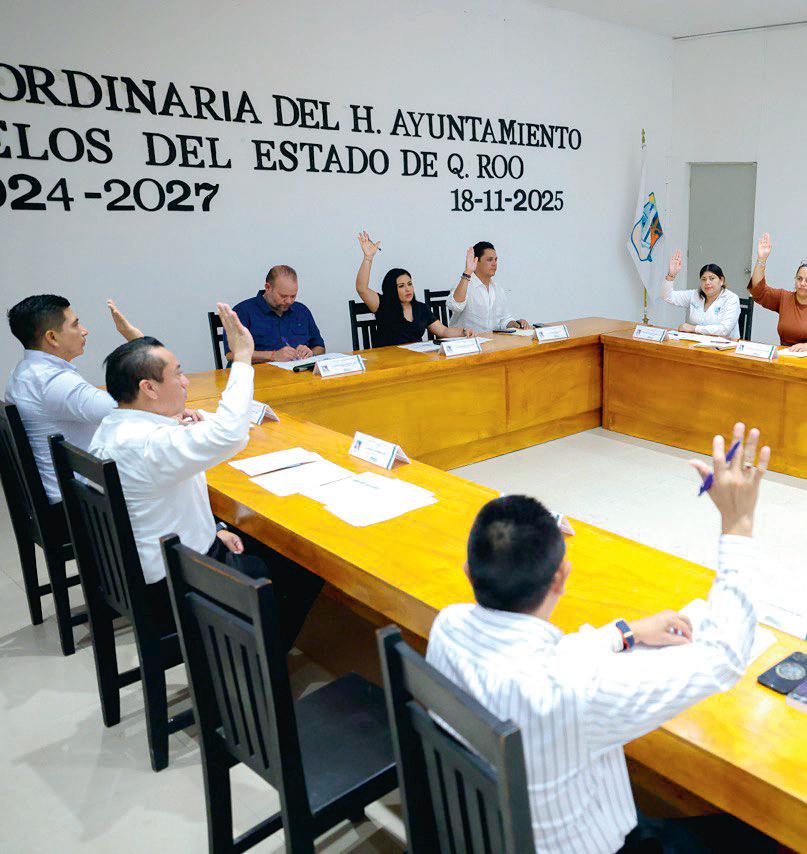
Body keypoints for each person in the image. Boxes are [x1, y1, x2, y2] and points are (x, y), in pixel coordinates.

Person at [427, 422, 775, 853]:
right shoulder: (578, 688)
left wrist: (625, 633)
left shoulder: (448, 625)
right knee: (762, 835)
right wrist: (738, 522)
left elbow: (549, 657)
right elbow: (724, 656)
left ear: (467, 571)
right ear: (562, 577)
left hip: (491, 832)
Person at [90, 305, 322, 641]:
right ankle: (260, 656)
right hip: (173, 584)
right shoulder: (151, 442)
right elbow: (230, 434)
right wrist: (242, 358)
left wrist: (213, 530)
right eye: (179, 374)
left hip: (150, 564)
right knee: (303, 559)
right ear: (149, 389)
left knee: (255, 539)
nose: (186, 382)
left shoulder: (116, 427)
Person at [5, 295, 145, 502]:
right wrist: (138, 343)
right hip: (82, 505)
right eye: (75, 324)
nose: (84, 331)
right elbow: (136, 410)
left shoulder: (23, 372)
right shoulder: (53, 382)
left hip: (68, 496)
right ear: (52, 337)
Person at [354, 231, 474, 346]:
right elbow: (361, 288)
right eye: (401, 286)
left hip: (416, 357)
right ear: (391, 289)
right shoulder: (382, 304)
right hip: (388, 358)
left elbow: (443, 331)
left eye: (410, 284)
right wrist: (368, 258)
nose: (408, 289)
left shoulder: (421, 308)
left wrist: (463, 332)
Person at [225, 265, 325, 363]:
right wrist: (272, 356)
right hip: (259, 372)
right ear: (268, 288)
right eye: (283, 296)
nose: (289, 301)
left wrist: (310, 353)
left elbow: (320, 347)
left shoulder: (301, 310)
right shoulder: (242, 311)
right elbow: (231, 354)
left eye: (293, 296)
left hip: (298, 371)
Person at [446, 241, 530, 332]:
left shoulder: (497, 288)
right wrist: (467, 272)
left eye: (495, 260)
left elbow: (504, 319)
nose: (494, 263)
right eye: (489, 260)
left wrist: (516, 324)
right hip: (466, 339)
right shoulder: (464, 284)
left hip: (491, 339)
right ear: (476, 261)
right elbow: (455, 306)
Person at [747, 232, 807, 350]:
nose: (803, 283)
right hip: (785, 354)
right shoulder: (784, 297)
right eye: (799, 279)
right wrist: (761, 259)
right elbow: (758, 291)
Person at [663, 250, 741, 338]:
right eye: (703, 279)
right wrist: (671, 275)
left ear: (721, 280)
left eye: (712, 278)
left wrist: (694, 328)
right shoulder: (695, 295)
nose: (707, 282)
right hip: (696, 342)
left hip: (724, 344)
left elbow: (724, 330)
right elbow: (667, 297)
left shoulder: (731, 298)